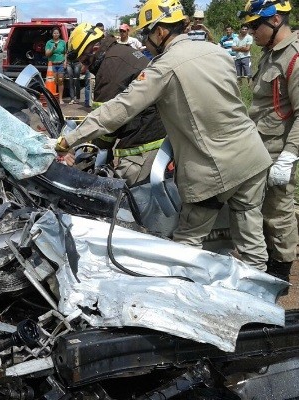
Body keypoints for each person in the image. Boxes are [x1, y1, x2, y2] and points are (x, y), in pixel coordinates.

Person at [55, 0, 271, 271]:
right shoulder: (216, 51)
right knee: (252, 242)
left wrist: (67, 141)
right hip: (252, 155)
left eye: (146, 34)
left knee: (186, 245)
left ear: (160, 32)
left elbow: (119, 109)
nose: (144, 43)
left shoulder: (164, 67)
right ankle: (261, 301)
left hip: (213, 168)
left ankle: (189, 305)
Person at [240, 0, 299, 282]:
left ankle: (282, 270)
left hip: (280, 150)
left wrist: (289, 156)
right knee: (262, 209)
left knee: (279, 212)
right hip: (260, 146)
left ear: (275, 20)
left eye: (255, 25)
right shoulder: (269, 53)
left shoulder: (294, 57)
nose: (251, 32)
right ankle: (266, 261)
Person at [67, 23, 167, 186]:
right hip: (158, 129)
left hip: (144, 142)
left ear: (94, 48)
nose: (85, 66)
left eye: (85, 59)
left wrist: (92, 153)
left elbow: (106, 122)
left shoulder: (110, 67)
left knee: (130, 195)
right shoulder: (121, 51)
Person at [45, 27, 67, 104]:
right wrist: (52, 49)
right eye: (54, 33)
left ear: (59, 34)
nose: (56, 34)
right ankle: (53, 99)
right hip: (52, 65)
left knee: (60, 81)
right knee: (54, 81)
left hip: (61, 63)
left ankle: (60, 99)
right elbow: (47, 54)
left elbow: (65, 53)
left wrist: (65, 62)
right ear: (52, 34)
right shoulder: (49, 43)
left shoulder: (63, 42)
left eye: (57, 33)